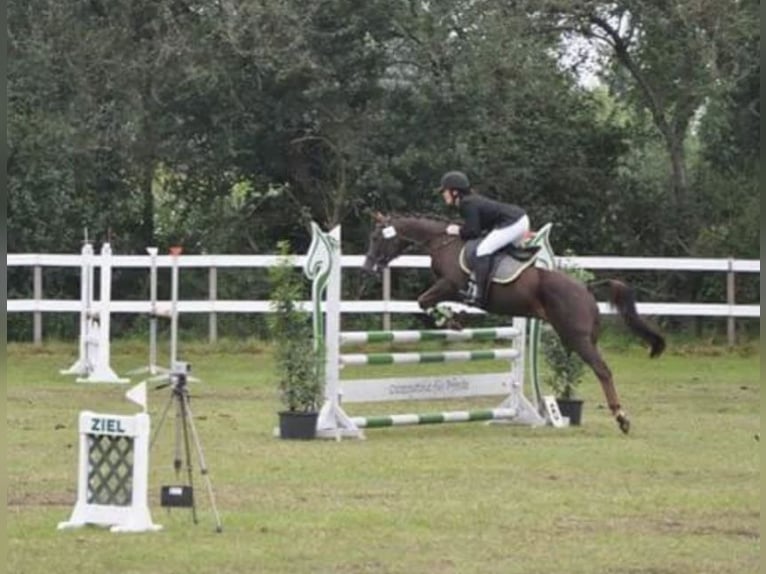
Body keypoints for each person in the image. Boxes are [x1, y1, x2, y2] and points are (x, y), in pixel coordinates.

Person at [438, 170, 530, 307]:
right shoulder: (470, 201)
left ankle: (479, 294)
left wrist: (457, 230)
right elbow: (477, 227)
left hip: (512, 222)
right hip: (518, 219)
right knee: (493, 248)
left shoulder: (467, 203)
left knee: (483, 250)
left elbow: (473, 232)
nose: (443, 194)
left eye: (445, 191)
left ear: (455, 192)